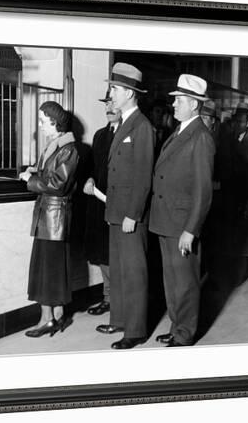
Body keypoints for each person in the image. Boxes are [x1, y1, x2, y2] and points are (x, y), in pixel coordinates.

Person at [149, 74, 215, 347]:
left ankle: (185, 334)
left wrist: (191, 229)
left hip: (181, 224)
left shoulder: (200, 136)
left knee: (185, 283)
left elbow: (203, 190)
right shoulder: (180, 131)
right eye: (175, 100)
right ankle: (177, 326)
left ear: (194, 105)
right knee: (172, 281)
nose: (173, 105)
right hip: (166, 220)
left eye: (179, 101)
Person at [96, 62, 155, 350]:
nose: (112, 94)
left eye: (115, 89)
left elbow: (144, 175)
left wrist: (133, 213)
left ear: (130, 93)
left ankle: (136, 329)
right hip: (116, 213)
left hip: (131, 214)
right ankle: (119, 319)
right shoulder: (124, 124)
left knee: (133, 273)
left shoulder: (141, 126)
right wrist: (114, 213)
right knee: (119, 271)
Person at [19, 101, 79, 337]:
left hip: (55, 219)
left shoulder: (69, 149)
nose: (41, 126)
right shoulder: (55, 146)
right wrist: (35, 171)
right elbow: (51, 173)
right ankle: (54, 316)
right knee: (47, 269)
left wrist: (30, 181)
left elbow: (58, 184)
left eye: (43, 122)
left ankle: (48, 320)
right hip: (48, 217)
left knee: (49, 270)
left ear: (55, 122)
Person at [216, 102, 248, 286]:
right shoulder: (228, 139)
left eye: (242, 122)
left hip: (245, 198)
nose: (239, 125)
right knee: (229, 237)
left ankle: (238, 277)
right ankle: (228, 274)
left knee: (243, 240)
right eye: (236, 121)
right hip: (229, 197)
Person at [83, 91, 121, 315]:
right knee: (103, 253)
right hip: (99, 202)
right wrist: (89, 178)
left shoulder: (130, 133)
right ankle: (108, 297)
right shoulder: (99, 135)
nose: (109, 108)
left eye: (113, 103)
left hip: (118, 203)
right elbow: (93, 167)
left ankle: (118, 299)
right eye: (107, 103)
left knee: (116, 254)